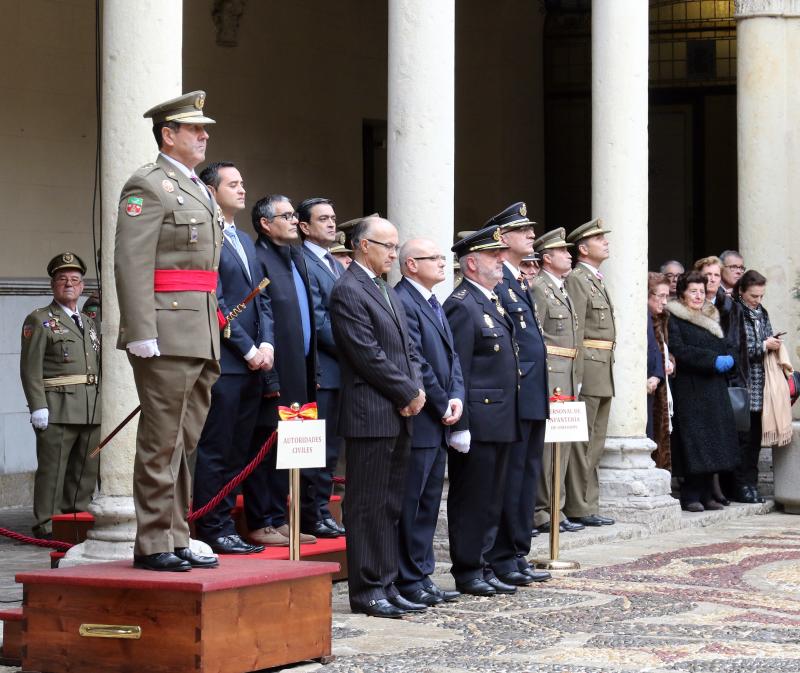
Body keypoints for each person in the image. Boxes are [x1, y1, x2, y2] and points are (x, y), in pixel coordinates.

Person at [115, 90, 221, 572]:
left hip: (199, 328)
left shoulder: (196, 186)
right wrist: (141, 329)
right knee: (161, 441)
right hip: (165, 328)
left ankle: (176, 534)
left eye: (204, 130)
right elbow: (131, 262)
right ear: (168, 134)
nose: (203, 136)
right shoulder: (148, 185)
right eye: (194, 129)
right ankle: (153, 541)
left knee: (185, 441)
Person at [330, 216, 425, 619]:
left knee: (390, 503)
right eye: (387, 246)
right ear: (362, 245)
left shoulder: (385, 289)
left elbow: (408, 349)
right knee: (367, 504)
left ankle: (387, 582)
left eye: (395, 245)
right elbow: (366, 353)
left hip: (400, 409)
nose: (394, 253)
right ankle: (367, 588)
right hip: (372, 410)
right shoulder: (348, 291)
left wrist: (416, 389)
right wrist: (406, 391)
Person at [191, 161, 273, 555]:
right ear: (211, 190)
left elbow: (263, 296)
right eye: (233, 184)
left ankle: (225, 521)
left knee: (239, 449)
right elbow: (215, 300)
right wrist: (247, 347)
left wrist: (268, 343)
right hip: (226, 361)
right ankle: (211, 524)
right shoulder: (206, 236)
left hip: (255, 362)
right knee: (217, 448)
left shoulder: (242, 239)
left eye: (243, 183)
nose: (242, 190)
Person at [443, 227, 521, 597]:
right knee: (472, 498)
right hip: (479, 417)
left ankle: (485, 562)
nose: (501, 261)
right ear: (472, 263)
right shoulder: (461, 304)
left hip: (500, 418)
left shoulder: (490, 300)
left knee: (492, 498)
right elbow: (458, 369)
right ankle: (468, 567)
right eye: (493, 256)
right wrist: (461, 425)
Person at [394, 238, 465, 606]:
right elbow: (416, 362)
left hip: (440, 416)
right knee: (413, 501)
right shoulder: (404, 300)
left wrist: (456, 396)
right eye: (432, 258)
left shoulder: (433, 301)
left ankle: (422, 575)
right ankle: (407, 576)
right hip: (421, 416)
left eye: (442, 257)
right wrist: (441, 401)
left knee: (429, 501)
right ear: (411, 265)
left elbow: (451, 359)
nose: (441, 262)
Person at [485, 203, 552, 586]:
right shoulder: (500, 283)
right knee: (510, 479)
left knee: (527, 477)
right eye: (522, 230)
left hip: (531, 395)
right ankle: (503, 555)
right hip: (514, 395)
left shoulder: (519, 281)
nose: (530, 235)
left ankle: (516, 551)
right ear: (503, 239)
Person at [249, 195, 318, 546]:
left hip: (302, 372)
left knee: (293, 450)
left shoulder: (296, 256)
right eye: (287, 215)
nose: (295, 220)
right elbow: (261, 317)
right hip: (275, 372)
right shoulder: (259, 258)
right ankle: (263, 520)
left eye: (295, 214)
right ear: (265, 223)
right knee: (267, 448)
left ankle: (283, 518)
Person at [20, 253, 101, 540]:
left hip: (91, 407)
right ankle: (47, 526)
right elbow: (30, 368)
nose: (69, 284)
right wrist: (38, 406)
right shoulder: (40, 320)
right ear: (53, 285)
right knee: (53, 471)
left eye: (75, 280)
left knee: (85, 470)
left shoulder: (90, 324)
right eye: (63, 279)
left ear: (82, 287)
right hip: (58, 406)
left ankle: (74, 522)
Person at [665, 271, 739, 511]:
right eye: (692, 291)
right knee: (696, 443)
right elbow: (679, 349)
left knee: (715, 442)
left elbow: (725, 345)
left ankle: (708, 494)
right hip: (691, 388)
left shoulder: (710, 314)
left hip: (714, 388)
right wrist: (712, 360)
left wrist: (730, 358)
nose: (698, 296)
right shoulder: (674, 317)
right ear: (683, 293)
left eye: (701, 291)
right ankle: (691, 495)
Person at [530, 228, 584, 534]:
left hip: (568, 370)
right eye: (562, 251)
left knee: (563, 444)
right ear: (547, 258)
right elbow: (538, 335)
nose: (569, 254)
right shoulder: (540, 287)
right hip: (552, 372)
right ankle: (543, 510)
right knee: (550, 447)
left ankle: (557, 507)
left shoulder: (560, 288)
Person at [298, 197, 346, 537]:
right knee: (317, 446)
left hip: (340, 368)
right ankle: (312, 512)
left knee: (331, 448)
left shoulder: (332, 262)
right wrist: (353, 347)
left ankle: (322, 510)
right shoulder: (303, 261)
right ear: (304, 226)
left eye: (332, 217)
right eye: (323, 219)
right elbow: (317, 319)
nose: (331, 224)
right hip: (323, 367)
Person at [563, 219, 616, 528]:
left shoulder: (593, 278)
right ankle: (578, 505)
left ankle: (588, 503)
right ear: (583, 248)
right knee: (583, 441)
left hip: (602, 366)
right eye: (599, 239)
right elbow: (578, 328)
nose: (605, 242)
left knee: (595, 441)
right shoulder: (578, 279)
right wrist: (578, 373)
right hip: (589, 366)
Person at [724, 269, 780, 504]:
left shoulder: (761, 313)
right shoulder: (734, 312)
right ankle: (739, 486)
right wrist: (764, 345)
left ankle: (751, 484)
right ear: (742, 292)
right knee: (742, 439)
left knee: (755, 439)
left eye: (761, 296)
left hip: (762, 383)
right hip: (743, 384)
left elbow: (764, 340)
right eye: (753, 296)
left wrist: (773, 342)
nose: (757, 301)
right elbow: (735, 348)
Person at [647, 272, 673, 471]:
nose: (665, 302)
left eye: (667, 296)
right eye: (661, 296)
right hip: (648, 385)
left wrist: (670, 361)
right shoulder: (643, 318)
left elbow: (664, 349)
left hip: (659, 386)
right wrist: (655, 374)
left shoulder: (661, 318)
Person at [694, 255, 733, 324]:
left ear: (720, 279)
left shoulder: (733, 308)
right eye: (708, 274)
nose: (713, 279)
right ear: (698, 277)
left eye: (716, 275)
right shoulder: (688, 306)